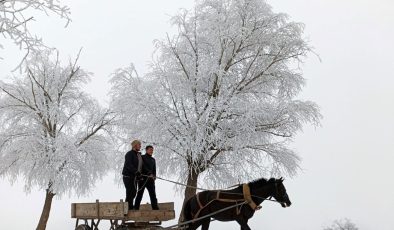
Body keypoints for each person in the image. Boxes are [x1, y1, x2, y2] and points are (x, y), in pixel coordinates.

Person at [134, 145, 159, 210]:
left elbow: (154, 169)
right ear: (146, 150)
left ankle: (155, 208)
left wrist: (154, 176)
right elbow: (143, 167)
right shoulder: (142, 157)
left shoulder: (153, 160)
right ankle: (136, 208)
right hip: (143, 179)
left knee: (153, 195)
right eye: (150, 150)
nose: (152, 151)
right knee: (140, 194)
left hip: (150, 180)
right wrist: (149, 173)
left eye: (152, 150)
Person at [122, 140, 144, 210]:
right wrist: (136, 171)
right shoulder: (129, 154)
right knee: (130, 193)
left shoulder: (138, 155)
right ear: (134, 145)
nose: (140, 146)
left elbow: (140, 166)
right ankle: (127, 209)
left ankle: (129, 208)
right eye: (139, 145)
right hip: (128, 177)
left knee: (134, 193)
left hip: (135, 177)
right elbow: (128, 165)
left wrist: (140, 174)